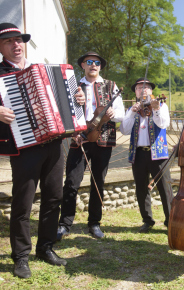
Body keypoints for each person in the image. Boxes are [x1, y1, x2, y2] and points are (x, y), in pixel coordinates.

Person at [0, 23, 85, 278]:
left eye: (19, 40)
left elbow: (70, 100)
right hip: (24, 147)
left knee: (53, 197)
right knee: (22, 203)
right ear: (0, 47)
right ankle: (21, 256)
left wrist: (77, 98)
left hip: (54, 143)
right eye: (8, 42)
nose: (16, 45)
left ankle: (45, 247)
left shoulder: (44, 68)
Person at [57, 51, 125, 240]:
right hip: (80, 138)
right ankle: (65, 224)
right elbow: (65, 113)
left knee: (98, 182)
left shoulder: (111, 86)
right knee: (71, 182)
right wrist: (74, 133)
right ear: (83, 66)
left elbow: (122, 113)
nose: (93, 65)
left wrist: (112, 113)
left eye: (96, 62)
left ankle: (94, 223)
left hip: (103, 140)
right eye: (89, 62)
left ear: (100, 67)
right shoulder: (73, 87)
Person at [120, 78, 173, 233]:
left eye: (146, 87)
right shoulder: (132, 110)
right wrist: (131, 112)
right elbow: (124, 130)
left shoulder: (161, 105)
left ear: (151, 91)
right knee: (141, 189)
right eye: (138, 88)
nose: (142, 90)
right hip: (139, 154)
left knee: (165, 188)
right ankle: (147, 220)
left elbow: (163, 124)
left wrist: (155, 109)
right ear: (135, 92)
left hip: (158, 154)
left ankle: (170, 221)